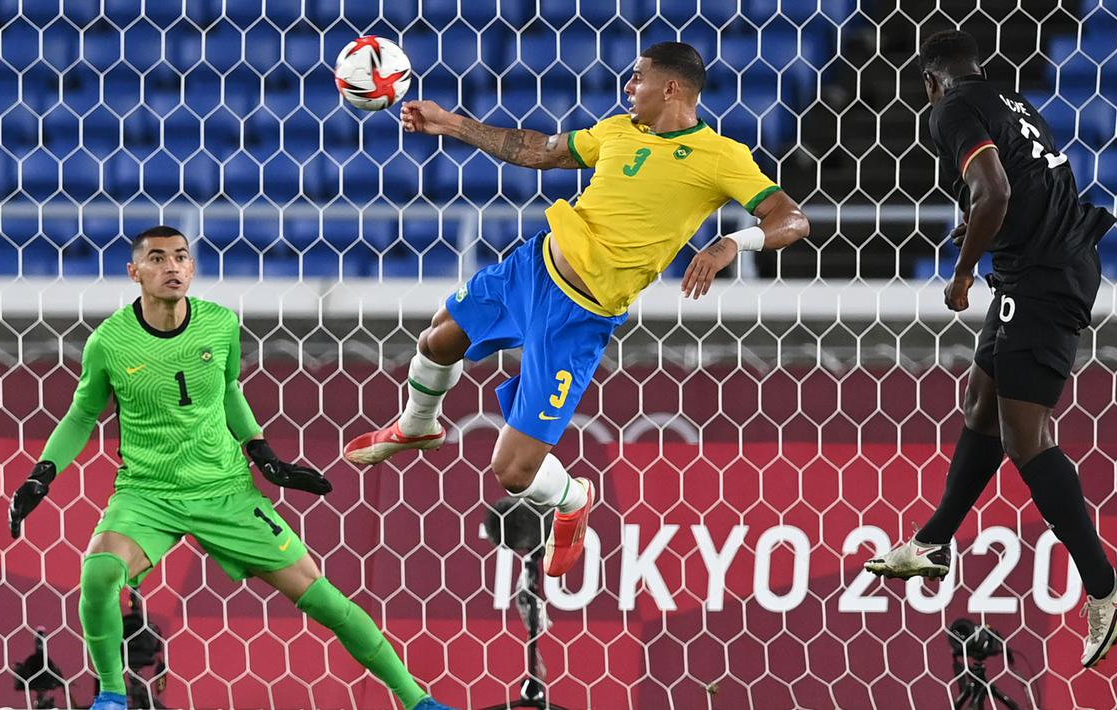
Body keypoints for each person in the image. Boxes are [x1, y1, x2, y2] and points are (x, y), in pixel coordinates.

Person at [342, 42, 811, 577]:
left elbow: (792, 219)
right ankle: (417, 425)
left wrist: (730, 244)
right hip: (534, 268)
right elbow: (539, 150)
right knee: (439, 338)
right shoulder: (617, 131)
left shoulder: (721, 156)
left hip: (579, 317)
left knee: (513, 472)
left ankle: (572, 498)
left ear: (671, 88)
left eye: (638, 78)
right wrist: (451, 123)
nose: (628, 87)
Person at [8, 226, 453, 710]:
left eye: (181, 257)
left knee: (322, 597)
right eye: (157, 258)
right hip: (147, 494)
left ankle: (418, 701)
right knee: (98, 574)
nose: (172, 266)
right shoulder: (110, 342)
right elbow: (81, 415)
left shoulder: (220, 325)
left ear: (192, 267)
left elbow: (228, 391)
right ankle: (112, 697)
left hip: (226, 491)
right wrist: (42, 473)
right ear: (134, 272)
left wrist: (264, 455)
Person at [863, 30, 1117, 668]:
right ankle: (933, 542)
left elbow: (996, 192)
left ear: (930, 82)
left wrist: (963, 271)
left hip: (1043, 278)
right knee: (983, 404)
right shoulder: (1010, 100)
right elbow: (1025, 186)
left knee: (1025, 437)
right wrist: (982, 225)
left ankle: (1106, 587)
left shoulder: (951, 109)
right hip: (1037, 270)